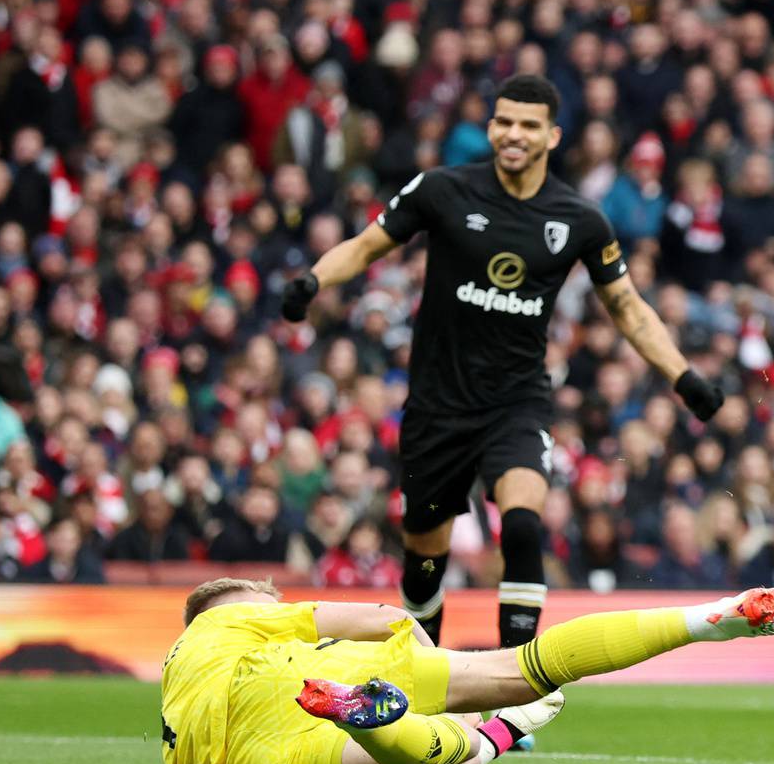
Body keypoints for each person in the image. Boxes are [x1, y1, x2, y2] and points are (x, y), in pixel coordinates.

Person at [280, 74, 725, 652]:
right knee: (424, 561)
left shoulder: (579, 219)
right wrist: (314, 279)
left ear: (552, 135)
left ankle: (518, 686)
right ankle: (426, 675)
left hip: (517, 402)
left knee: (521, 526)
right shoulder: (441, 190)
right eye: (504, 122)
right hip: (438, 405)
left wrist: (683, 377)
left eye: (528, 125)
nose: (514, 134)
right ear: (491, 127)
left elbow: (629, 310)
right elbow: (366, 246)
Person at [158, 576, 774, 764]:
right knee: (520, 666)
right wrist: (437, 669)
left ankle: (381, 723)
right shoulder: (233, 614)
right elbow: (385, 618)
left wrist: (495, 736)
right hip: (310, 677)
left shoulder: (180, 674)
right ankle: (706, 618)